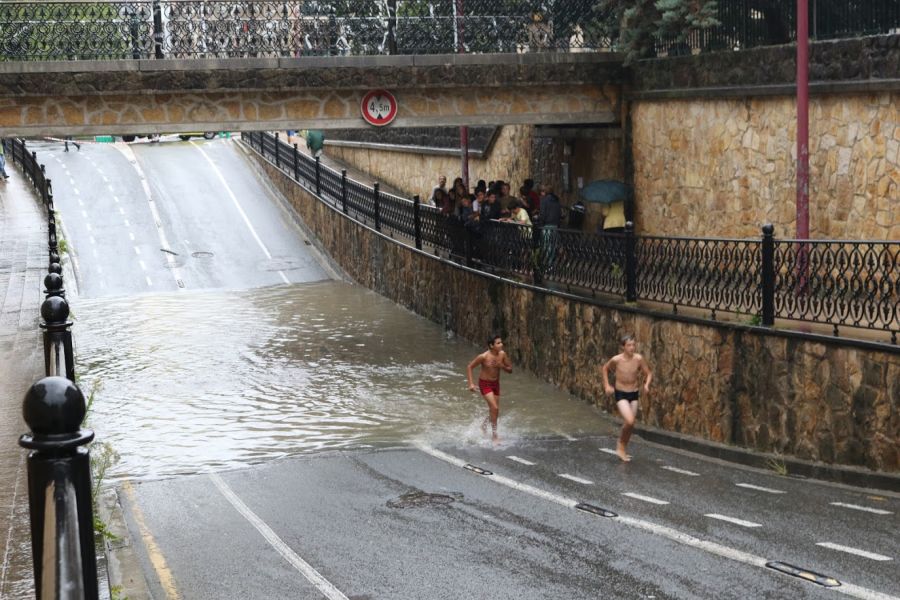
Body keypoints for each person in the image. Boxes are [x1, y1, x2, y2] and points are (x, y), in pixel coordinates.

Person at [601, 334, 653, 462]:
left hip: (634, 393)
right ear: (623, 347)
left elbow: (648, 373)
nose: (632, 347)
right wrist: (607, 385)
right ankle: (620, 445)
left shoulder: (638, 359)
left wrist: (646, 385)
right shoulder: (616, 360)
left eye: (633, 345)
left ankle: (622, 448)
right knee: (629, 421)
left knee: (630, 424)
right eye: (629, 345)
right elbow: (605, 369)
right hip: (621, 393)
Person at [467, 335, 513, 444]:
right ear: (491, 345)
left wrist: (501, 365)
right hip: (485, 384)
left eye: (501, 342)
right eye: (498, 343)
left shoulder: (502, 355)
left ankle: (484, 425)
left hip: (496, 384)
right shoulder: (483, 356)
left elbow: (510, 370)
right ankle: (494, 435)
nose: (501, 345)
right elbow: (469, 367)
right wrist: (471, 384)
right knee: (495, 408)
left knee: (494, 410)